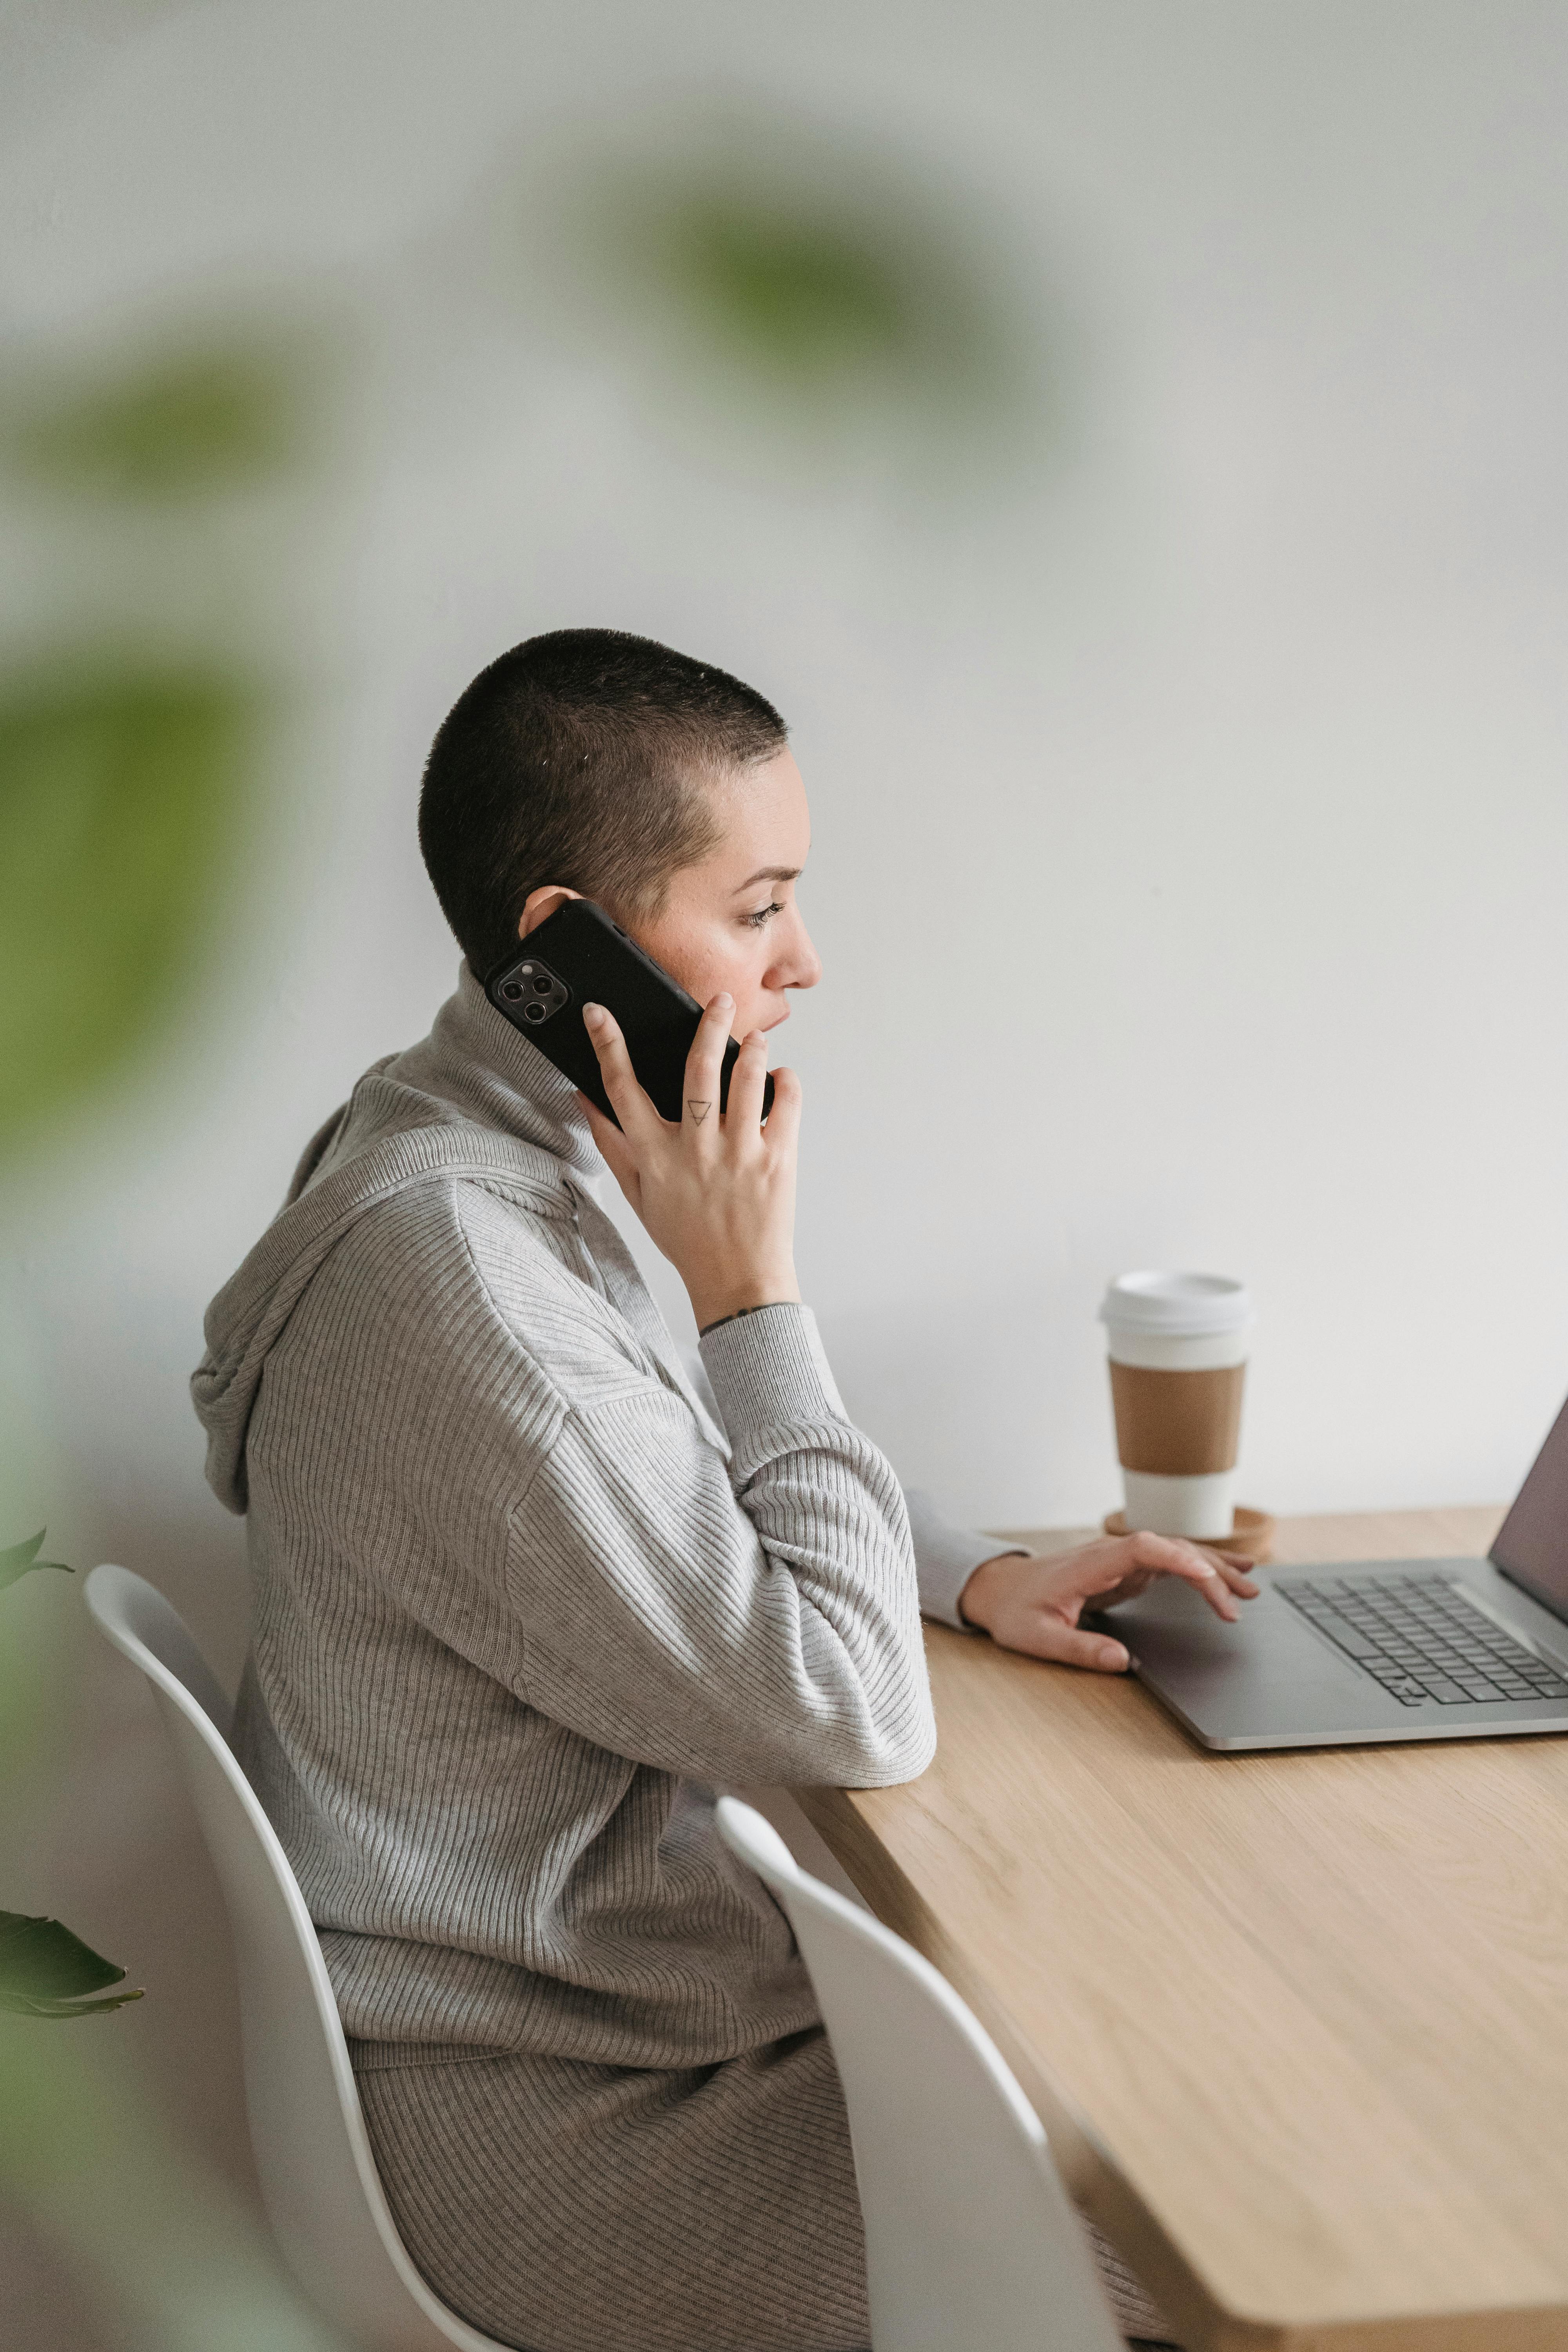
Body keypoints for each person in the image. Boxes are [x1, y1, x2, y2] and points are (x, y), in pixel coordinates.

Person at [192, 629, 1255, 2352]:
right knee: (1239, 2271)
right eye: (758, 908)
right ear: (567, 947)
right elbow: (847, 1713)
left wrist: (972, 1576)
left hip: (601, 2029)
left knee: (1189, 2116)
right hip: (572, 2121)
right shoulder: (465, 1276)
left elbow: (670, 1474)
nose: (806, 962)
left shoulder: (475, 1142)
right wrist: (753, 1291)